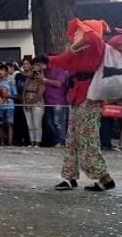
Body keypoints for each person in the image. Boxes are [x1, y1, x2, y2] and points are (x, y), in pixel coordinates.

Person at [49, 19, 116, 191]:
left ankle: (104, 177)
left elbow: (94, 37)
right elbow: (62, 59)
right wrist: (45, 59)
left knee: (87, 138)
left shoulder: (96, 47)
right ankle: (69, 177)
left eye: (80, 31)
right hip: (78, 97)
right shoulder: (80, 52)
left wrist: (79, 40)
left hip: (91, 97)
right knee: (72, 139)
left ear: (87, 32)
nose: (75, 34)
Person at [33, 55, 68, 146]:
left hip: (58, 101)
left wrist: (45, 80)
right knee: (49, 122)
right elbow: (34, 78)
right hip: (47, 101)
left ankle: (62, 141)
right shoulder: (44, 71)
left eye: (38, 64)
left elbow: (58, 83)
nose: (38, 66)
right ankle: (56, 140)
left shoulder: (60, 70)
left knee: (58, 122)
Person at [22, 63, 46, 147]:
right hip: (26, 103)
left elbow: (39, 94)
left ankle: (37, 142)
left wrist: (31, 102)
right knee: (29, 124)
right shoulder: (28, 80)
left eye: (37, 71)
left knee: (37, 124)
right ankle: (31, 141)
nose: (35, 73)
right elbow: (24, 91)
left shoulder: (42, 81)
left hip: (37, 104)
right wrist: (24, 101)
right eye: (33, 70)